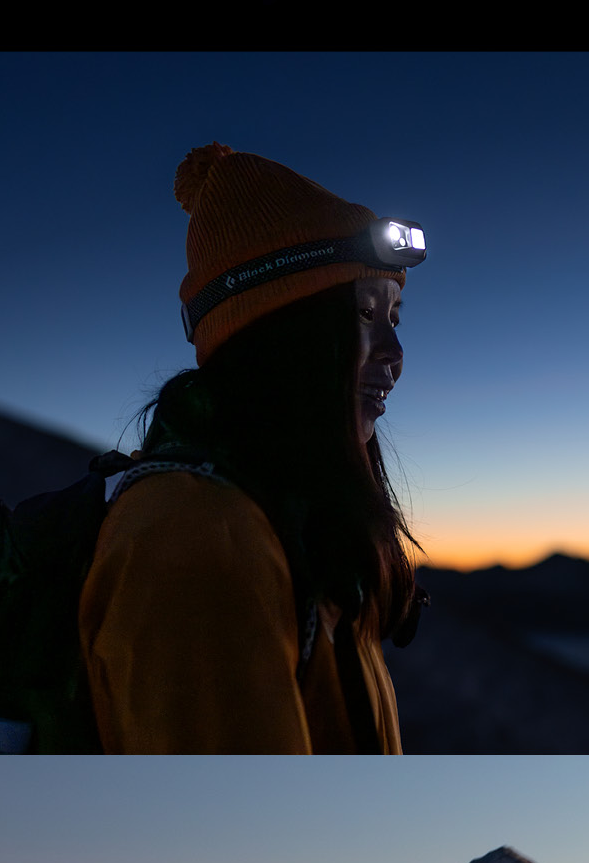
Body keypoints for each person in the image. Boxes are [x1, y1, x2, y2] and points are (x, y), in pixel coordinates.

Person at [77, 141, 426, 753]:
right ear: (284, 335)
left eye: (394, 316)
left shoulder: (292, 519)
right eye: (363, 316)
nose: (395, 357)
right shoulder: (193, 537)